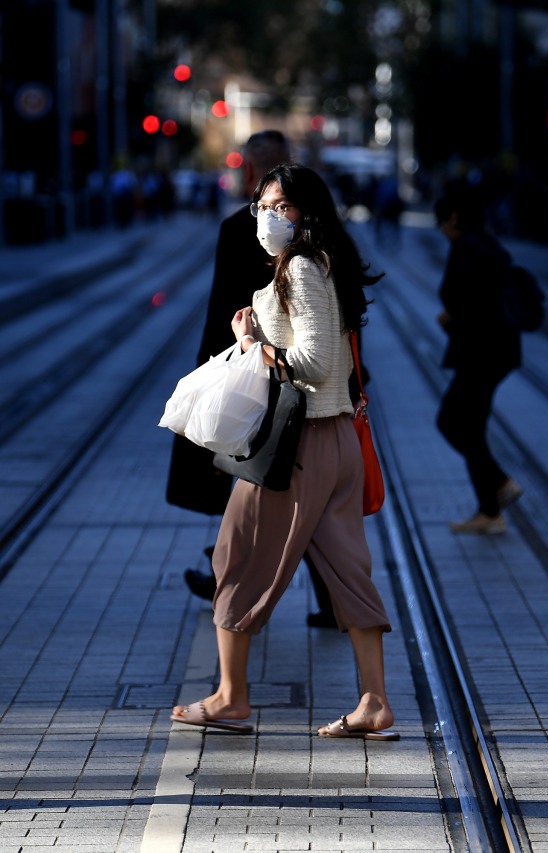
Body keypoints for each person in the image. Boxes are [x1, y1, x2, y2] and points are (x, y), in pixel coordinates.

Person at [171, 164, 398, 740]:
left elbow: (314, 365)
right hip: (337, 441)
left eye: (281, 206)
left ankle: (230, 697)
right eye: (263, 206)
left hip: (297, 448)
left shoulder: (300, 268)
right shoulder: (322, 265)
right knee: (348, 571)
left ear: (307, 213)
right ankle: (374, 702)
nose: (268, 217)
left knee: (236, 556)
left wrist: (253, 346)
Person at [166, 130, 337, 628]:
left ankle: (232, 592)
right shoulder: (320, 231)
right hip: (293, 384)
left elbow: (222, 310)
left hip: (260, 372)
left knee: (264, 490)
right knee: (285, 496)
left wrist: (216, 373)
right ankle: (243, 587)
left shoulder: (239, 229)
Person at [434, 187, 523, 535]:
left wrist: (450, 319)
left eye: (441, 221)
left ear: (454, 217)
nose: (441, 229)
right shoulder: (488, 243)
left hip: (481, 354)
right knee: (470, 427)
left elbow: (474, 306)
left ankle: (499, 483)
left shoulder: (468, 248)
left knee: (452, 422)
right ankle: (490, 512)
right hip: (495, 352)